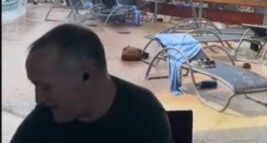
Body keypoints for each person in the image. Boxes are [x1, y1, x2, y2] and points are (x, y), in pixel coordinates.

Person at [11, 24, 173, 142]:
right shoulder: (46, 115)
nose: (39, 99)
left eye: (46, 87)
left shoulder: (143, 115)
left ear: (86, 75)